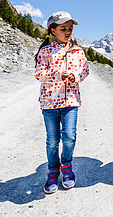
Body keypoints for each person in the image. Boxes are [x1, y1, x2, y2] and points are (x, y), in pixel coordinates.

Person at [35, 11, 89, 194]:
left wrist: (76, 76)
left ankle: (66, 165)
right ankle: (52, 171)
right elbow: (38, 74)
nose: (68, 32)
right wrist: (57, 75)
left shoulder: (78, 51)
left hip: (71, 101)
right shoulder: (45, 51)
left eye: (70, 29)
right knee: (52, 140)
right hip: (49, 103)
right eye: (63, 29)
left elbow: (85, 71)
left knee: (69, 136)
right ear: (52, 30)